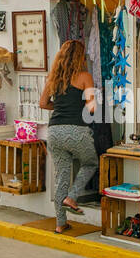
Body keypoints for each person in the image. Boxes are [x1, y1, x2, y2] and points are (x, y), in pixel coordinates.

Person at [40, 39, 98, 233]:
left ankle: (60, 223)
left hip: (55, 131)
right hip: (76, 130)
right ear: (80, 57)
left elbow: (43, 103)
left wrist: (60, 107)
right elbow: (92, 107)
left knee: (62, 176)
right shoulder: (85, 77)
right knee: (90, 163)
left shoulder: (53, 78)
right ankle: (72, 197)